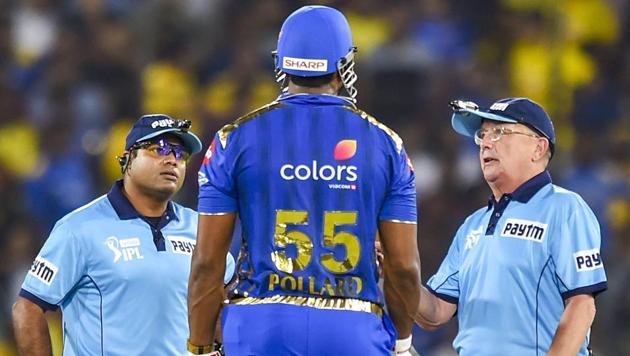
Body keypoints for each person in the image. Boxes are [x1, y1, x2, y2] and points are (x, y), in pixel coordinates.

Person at [187, 5, 422, 356]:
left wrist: (200, 348)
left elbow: (208, 261)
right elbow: (403, 266)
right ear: (343, 65)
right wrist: (402, 343)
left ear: (282, 63)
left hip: (260, 326)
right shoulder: (387, 144)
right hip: (353, 329)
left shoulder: (232, 139)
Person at [12, 114, 235, 355]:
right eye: (159, 149)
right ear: (129, 158)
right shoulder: (80, 228)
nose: (172, 160)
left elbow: (227, 298)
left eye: (180, 154)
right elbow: (28, 307)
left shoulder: (199, 228)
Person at [414, 98, 608, 355]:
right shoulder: (472, 225)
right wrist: (392, 273)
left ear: (538, 148)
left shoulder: (564, 208)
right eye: (483, 134)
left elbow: (582, 306)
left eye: (500, 132)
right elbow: (435, 312)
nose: (486, 143)